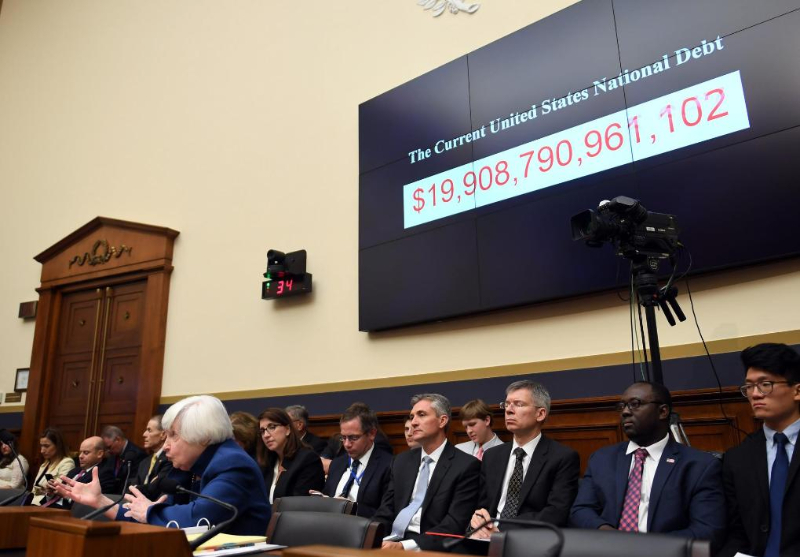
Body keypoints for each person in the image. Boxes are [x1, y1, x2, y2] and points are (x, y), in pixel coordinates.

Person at [53, 395, 271, 535]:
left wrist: (150, 511)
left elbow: (199, 519)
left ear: (203, 437)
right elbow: (156, 517)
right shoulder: (188, 467)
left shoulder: (232, 464)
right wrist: (100, 501)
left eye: (173, 436)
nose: (165, 446)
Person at [570, 381, 725, 546]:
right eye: (622, 406)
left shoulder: (699, 465)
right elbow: (581, 510)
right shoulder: (602, 459)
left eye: (635, 404)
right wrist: (611, 536)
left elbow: (707, 530)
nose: (625, 412)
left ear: (662, 411)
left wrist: (645, 547)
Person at [719, 343, 800, 557]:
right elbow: (734, 532)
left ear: (797, 391)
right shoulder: (737, 458)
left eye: (765, 384)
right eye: (749, 386)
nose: (755, 394)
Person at [470, 381, 579, 538]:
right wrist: (478, 520)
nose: (509, 410)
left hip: (530, 539)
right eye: (506, 404)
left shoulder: (562, 457)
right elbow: (481, 505)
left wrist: (501, 530)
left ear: (540, 414)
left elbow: (556, 513)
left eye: (518, 404)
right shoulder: (492, 456)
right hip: (485, 536)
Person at [374, 393, 480, 551]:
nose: (413, 422)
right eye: (412, 417)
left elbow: (454, 524)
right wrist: (369, 536)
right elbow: (385, 511)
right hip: (390, 540)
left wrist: (404, 546)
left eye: (421, 415)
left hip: (428, 546)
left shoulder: (466, 466)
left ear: (442, 421)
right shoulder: (401, 461)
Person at [322, 403, 392, 518]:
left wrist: (349, 508)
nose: (346, 444)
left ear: (372, 434)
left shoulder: (388, 465)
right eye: (343, 437)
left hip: (360, 526)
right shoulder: (337, 463)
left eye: (353, 438)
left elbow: (385, 513)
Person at [258, 408, 325, 503]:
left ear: (288, 429)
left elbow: (299, 504)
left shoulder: (307, 460)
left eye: (272, 427)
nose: (266, 435)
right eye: (262, 431)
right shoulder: (267, 462)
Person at [42, 436, 115, 508]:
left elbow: (93, 504)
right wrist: (50, 493)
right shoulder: (74, 471)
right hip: (50, 508)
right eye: (80, 452)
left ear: (99, 454)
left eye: (86, 453)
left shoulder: (104, 474)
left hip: (68, 513)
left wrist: (66, 495)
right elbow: (57, 495)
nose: (80, 456)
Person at [134, 415, 183, 501]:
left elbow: (154, 490)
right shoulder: (144, 462)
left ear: (163, 435)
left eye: (149, 430)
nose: (144, 434)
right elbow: (132, 486)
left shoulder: (170, 459)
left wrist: (137, 488)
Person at [31, 427, 75, 505]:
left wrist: (42, 490)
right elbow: (34, 490)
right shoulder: (44, 464)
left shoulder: (67, 463)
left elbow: (57, 490)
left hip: (49, 504)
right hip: (34, 502)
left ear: (58, 446)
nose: (42, 451)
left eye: (46, 446)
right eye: (41, 446)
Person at [101, 425, 147, 493]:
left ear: (118, 439)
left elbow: (133, 481)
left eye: (109, 447)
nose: (108, 451)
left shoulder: (137, 454)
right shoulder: (113, 454)